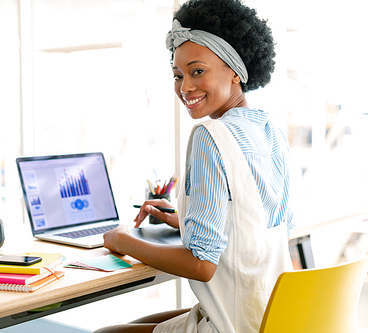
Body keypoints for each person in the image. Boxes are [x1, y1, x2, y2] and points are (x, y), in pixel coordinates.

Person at [94, 0, 294, 332]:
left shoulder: (210, 135)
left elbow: (202, 266)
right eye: (178, 75)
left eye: (197, 71)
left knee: (105, 332)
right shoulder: (269, 129)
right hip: (271, 318)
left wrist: (122, 240)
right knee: (142, 323)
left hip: (230, 325)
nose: (185, 87)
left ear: (235, 70)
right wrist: (185, 221)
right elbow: (261, 225)